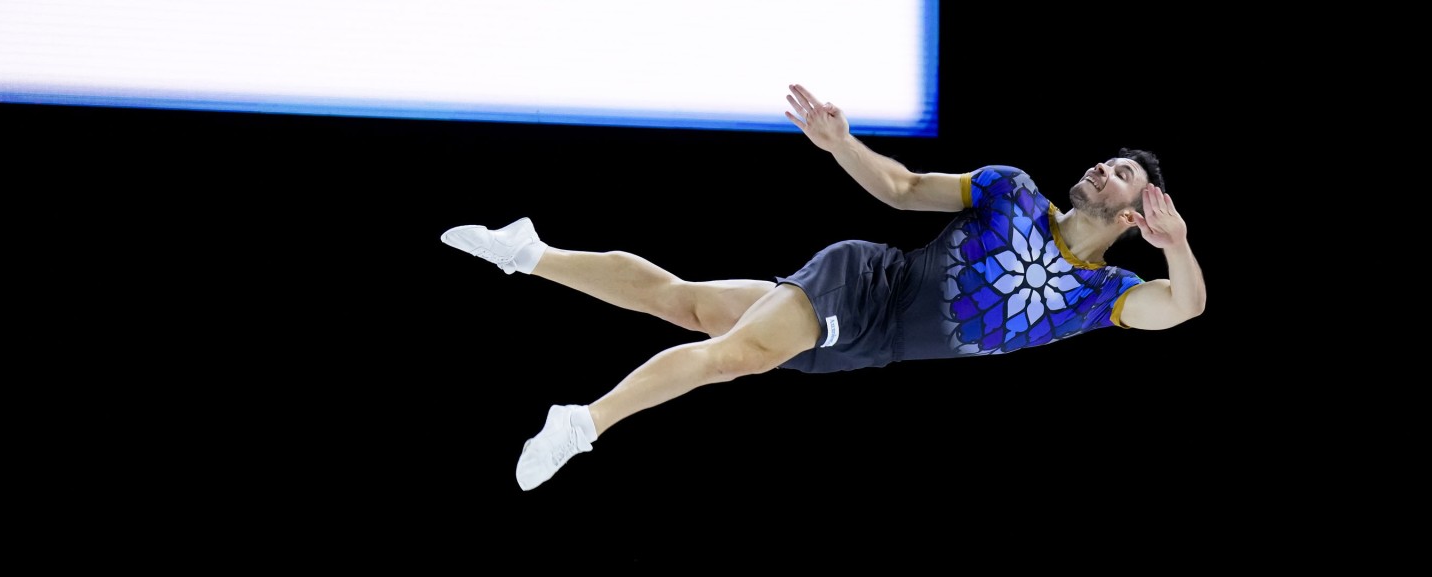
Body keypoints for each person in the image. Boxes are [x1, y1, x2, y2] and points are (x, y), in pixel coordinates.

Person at [441, 84, 1206, 491]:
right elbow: (903, 188)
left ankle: (530, 252)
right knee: (733, 357)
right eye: (1108, 160)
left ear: (1135, 216)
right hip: (865, 285)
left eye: (1121, 173)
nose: (1103, 167)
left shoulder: (1101, 296)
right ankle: (583, 422)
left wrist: (1178, 250)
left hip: (870, 346)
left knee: (686, 304)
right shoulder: (1011, 189)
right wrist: (843, 143)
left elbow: (1185, 307)